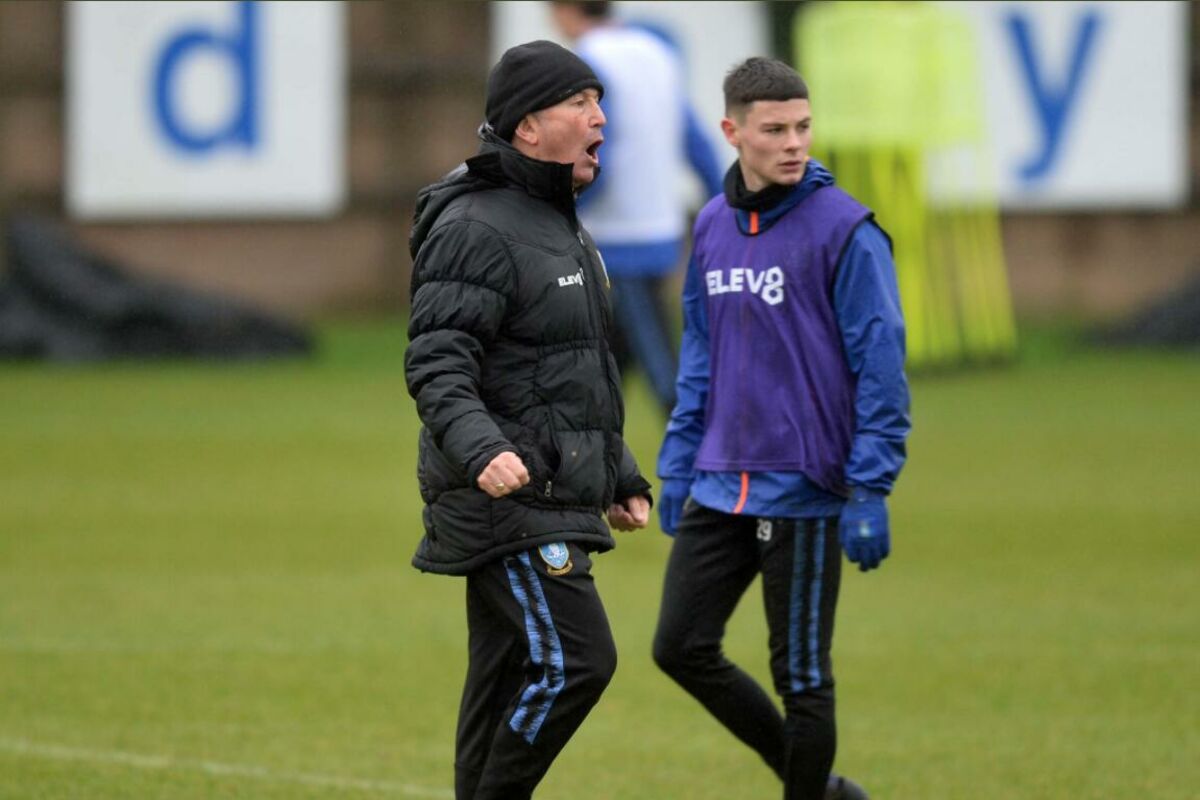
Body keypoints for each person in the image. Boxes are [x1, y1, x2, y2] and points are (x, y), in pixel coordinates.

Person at [653, 57, 911, 800]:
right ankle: (823, 791)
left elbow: (882, 363)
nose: (794, 143)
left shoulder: (846, 230)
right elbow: (699, 353)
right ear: (732, 131)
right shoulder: (711, 223)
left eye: (802, 127)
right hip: (718, 481)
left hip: (803, 487)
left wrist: (869, 486)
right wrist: (679, 463)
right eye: (774, 130)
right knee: (679, 647)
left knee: (801, 678)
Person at [405, 40, 653, 800]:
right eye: (579, 103)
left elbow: (573, 372)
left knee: (505, 676)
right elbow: (437, 363)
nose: (599, 118)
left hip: (544, 488)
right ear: (527, 126)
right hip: (510, 496)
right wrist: (483, 450)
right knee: (577, 661)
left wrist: (619, 473)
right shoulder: (476, 226)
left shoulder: (559, 223)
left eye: (599, 102)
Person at [550, 0, 724, 416]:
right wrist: (723, 201)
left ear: (564, 10)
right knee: (609, 364)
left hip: (614, 235)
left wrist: (557, 209)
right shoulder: (657, 52)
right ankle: (589, 442)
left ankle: (705, 448)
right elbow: (694, 138)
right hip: (661, 229)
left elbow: (595, 157)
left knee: (661, 371)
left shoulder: (585, 64)